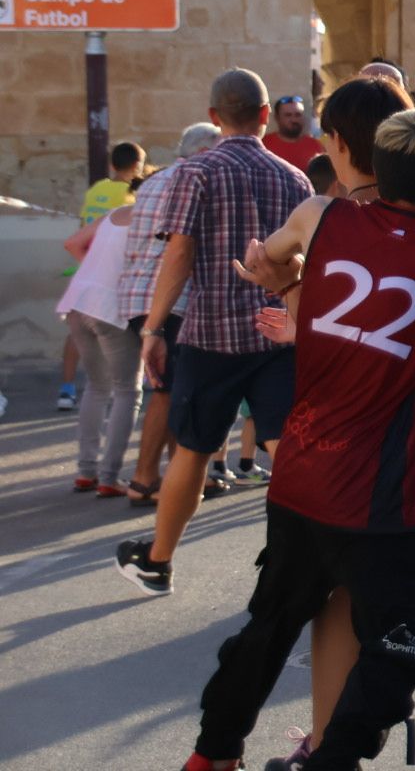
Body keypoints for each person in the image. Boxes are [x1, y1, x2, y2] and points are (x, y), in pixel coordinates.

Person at [176, 108, 415, 771]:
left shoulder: (321, 217)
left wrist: (284, 277)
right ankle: (332, 760)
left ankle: (213, 753)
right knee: (401, 647)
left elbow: (268, 258)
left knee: (270, 624)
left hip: (302, 469)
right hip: (375, 490)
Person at [115, 69, 313, 596]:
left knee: (196, 450)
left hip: (210, 334)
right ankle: (323, 553)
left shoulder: (195, 172)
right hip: (276, 332)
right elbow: (303, 260)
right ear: (266, 115)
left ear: (213, 118)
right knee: (283, 444)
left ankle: (157, 562)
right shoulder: (294, 179)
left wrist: (154, 329)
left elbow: (179, 252)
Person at [119, 122, 221, 508]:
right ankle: (145, 479)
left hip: (138, 294)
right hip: (168, 297)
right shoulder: (191, 179)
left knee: (175, 390)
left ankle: (182, 474)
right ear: (203, 150)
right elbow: (183, 247)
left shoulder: (155, 181)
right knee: (167, 392)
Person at [59, 188, 143, 498]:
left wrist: (92, 271)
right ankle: (109, 477)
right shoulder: (154, 218)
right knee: (127, 390)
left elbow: (72, 242)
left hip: (79, 299)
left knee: (97, 386)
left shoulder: (116, 213)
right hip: (111, 307)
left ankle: (86, 472)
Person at [64, 140, 147, 411]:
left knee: (79, 333)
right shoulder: (130, 196)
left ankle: (65, 388)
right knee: (120, 335)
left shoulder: (96, 189)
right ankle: (123, 384)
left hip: (84, 269)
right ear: (137, 167)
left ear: (112, 164)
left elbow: (82, 226)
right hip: (112, 274)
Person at [263, 95, 325, 170]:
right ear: (277, 118)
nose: (294, 120)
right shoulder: (264, 145)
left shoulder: (315, 146)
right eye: (288, 115)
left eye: (298, 115)